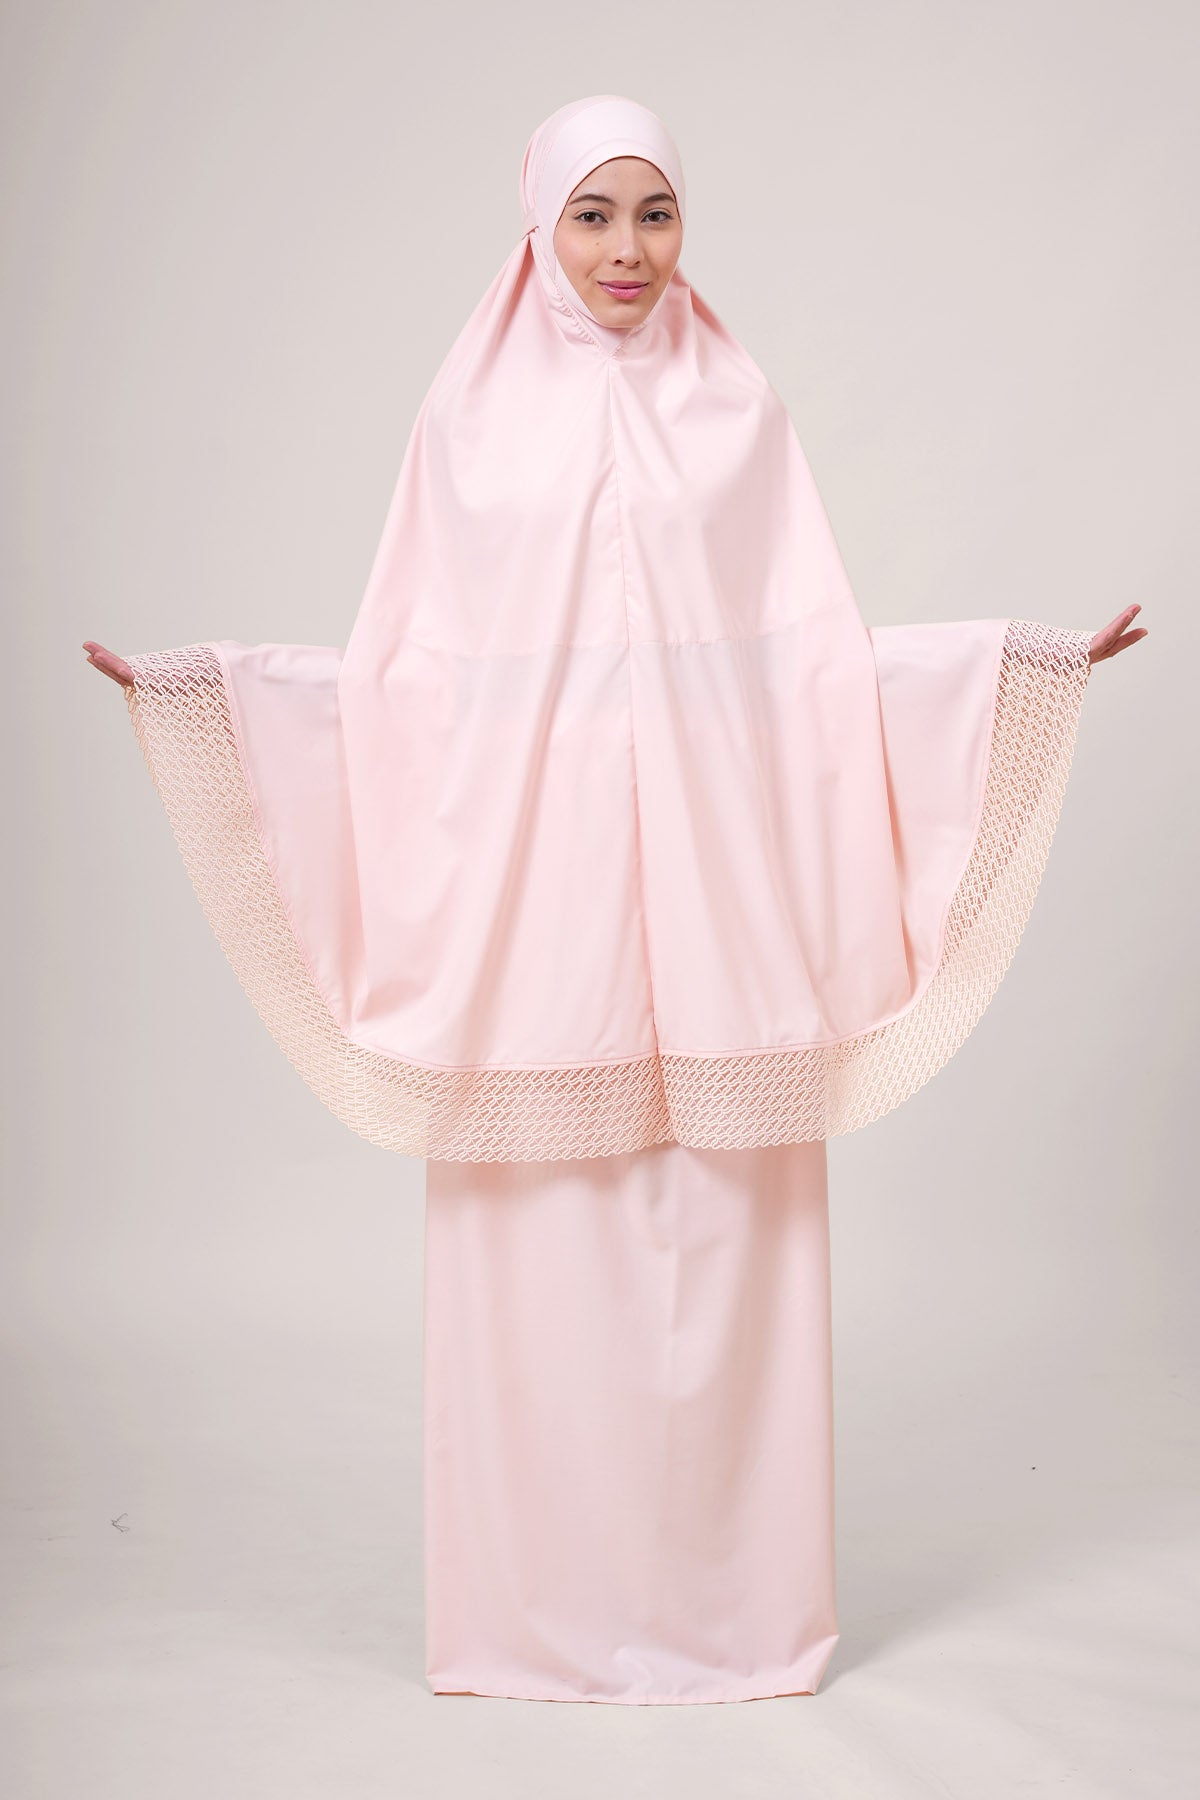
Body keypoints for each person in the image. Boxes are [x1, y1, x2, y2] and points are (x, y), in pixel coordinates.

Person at [83, 95, 1147, 1705]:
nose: (627, 249)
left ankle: (740, 1626)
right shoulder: (468, 432)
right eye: (594, 214)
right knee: (539, 1286)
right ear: (538, 226)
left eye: (656, 213)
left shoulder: (739, 415)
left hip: (724, 929)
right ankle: (527, 1627)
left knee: (729, 1266)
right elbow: (405, 687)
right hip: (539, 937)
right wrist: (210, 689)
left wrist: (1019, 666)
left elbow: (810, 672)